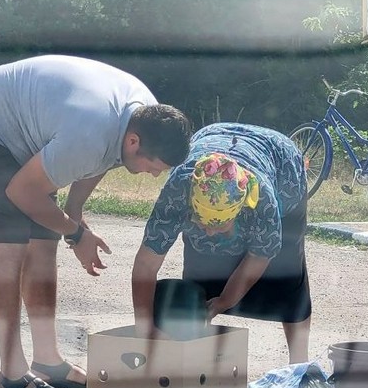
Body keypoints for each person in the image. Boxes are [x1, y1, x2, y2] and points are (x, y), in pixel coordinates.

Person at [0, 55, 192, 388]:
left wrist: (75, 215)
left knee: (44, 243)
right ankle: (13, 375)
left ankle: (48, 360)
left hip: (32, 128)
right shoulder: (88, 132)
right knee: (11, 242)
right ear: (136, 142)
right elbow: (22, 192)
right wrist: (76, 234)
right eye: (154, 167)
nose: (154, 175)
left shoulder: (144, 116)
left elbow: (106, 155)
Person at [131, 122, 312, 363]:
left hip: (280, 161)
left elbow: (261, 255)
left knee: (286, 275)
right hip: (211, 137)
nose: (209, 232)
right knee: (199, 278)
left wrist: (227, 300)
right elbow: (146, 265)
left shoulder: (263, 202)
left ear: (239, 214)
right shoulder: (177, 191)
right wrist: (146, 330)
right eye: (200, 223)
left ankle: (298, 365)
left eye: (218, 226)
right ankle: (190, 358)